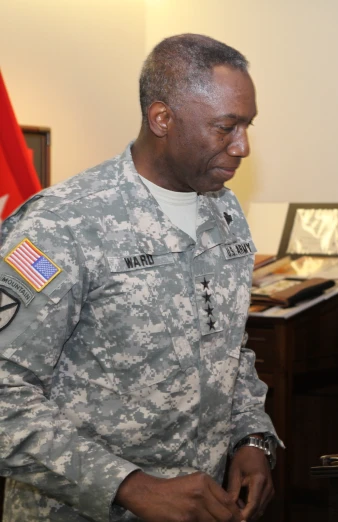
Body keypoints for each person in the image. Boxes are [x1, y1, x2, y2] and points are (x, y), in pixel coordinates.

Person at [0, 34, 279, 521]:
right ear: (162, 119)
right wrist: (127, 485)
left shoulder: (225, 212)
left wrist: (252, 437)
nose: (244, 146)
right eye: (226, 127)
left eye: (247, 126)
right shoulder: (62, 224)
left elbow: (230, 348)